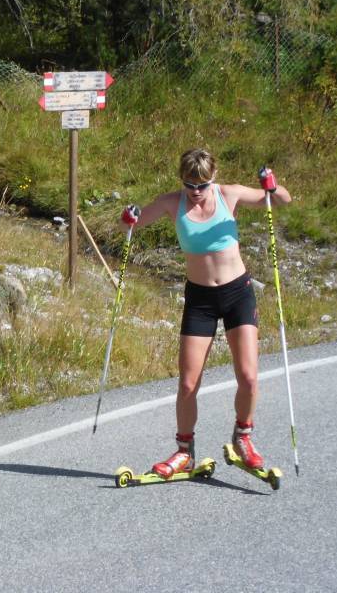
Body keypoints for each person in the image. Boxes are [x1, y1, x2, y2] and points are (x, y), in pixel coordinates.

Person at [119, 148, 291, 478]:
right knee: (187, 383)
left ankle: (243, 437)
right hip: (200, 299)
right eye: (189, 185)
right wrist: (128, 218)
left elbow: (282, 200)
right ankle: (184, 452)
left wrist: (272, 186)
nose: (196, 193)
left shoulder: (230, 194)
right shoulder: (172, 202)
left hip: (237, 294)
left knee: (249, 376)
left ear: (213, 178)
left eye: (202, 185)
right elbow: (134, 220)